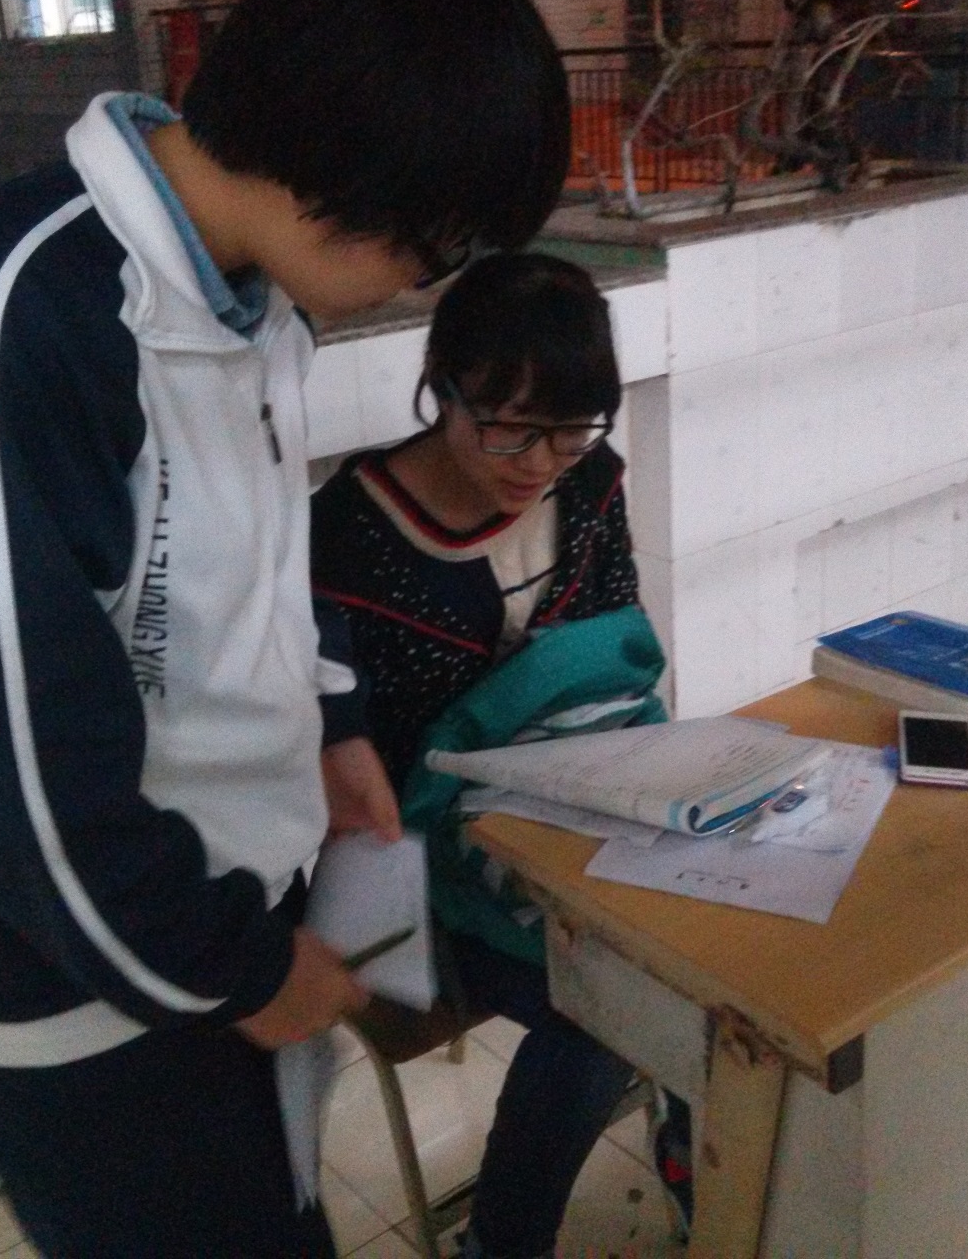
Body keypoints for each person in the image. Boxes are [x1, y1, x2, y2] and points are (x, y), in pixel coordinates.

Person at [0, 0, 570, 1256]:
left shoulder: (247, 297)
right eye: (435, 247)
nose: (422, 284)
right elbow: (3, 767)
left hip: (211, 914)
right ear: (353, 171)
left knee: (278, 1216)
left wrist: (332, 724)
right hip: (75, 983)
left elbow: (263, 550)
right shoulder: (0, 335)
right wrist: (239, 969)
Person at [311, 253, 691, 1259]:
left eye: (570, 429)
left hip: (585, 817)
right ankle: (505, 1241)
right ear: (442, 388)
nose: (538, 462)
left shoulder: (590, 483)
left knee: (714, 956)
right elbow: (345, 764)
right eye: (510, 428)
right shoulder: (344, 538)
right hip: (422, 877)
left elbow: (616, 667)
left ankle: (692, 1153)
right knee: (615, 1012)